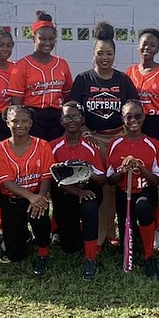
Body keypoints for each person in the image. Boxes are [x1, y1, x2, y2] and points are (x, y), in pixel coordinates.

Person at [70, 21, 139, 249]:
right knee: (99, 185)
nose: (105, 57)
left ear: (115, 55)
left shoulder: (123, 80)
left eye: (109, 53)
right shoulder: (83, 79)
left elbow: (135, 109)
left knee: (115, 186)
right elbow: (73, 110)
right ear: (93, 54)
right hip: (94, 138)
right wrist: (84, 131)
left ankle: (113, 232)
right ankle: (98, 233)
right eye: (100, 53)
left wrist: (128, 135)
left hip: (118, 137)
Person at [0, 105, 54, 275]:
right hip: (11, 199)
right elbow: (6, 182)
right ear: (7, 123)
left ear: (31, 122)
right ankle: (22, 235)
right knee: (15, 255)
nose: (20, 125)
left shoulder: (43, 145)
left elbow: (47, 175)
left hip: (36, 195)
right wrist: (30, 197)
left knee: (40, 216)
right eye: (15, 121)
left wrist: (40, 198)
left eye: (24, 121)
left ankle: (43, 253)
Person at [50, 101, 106, 280]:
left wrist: (87, 171)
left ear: (82, 119)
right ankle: (68, 231)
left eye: (75, 116)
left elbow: (102, 179)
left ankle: (90, 257)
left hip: (88, 190)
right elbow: (53, 179)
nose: (71, 120)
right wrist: (77, 191)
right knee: (70, 247)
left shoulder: (91, 145)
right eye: (67, 116)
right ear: (61, 121)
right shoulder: (53, 146)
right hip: (65, 192)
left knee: (89, 206)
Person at [106, 100, 159, 279]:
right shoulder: (114, 144)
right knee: (127, 242)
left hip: (145, 192)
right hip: (124, 195)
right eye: (128, 116)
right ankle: (134, 243)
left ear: (144, 117)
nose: (133, 120)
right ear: (122, 119)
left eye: (137, 116)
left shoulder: (153, 143)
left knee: (143, 208)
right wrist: (122, 170)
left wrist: (141, 167)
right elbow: (110, 180)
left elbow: (155, 180)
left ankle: (149, 256)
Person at [9, 11, 73, 141]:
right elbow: (16, 103)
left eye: (51, 39)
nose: (47, 43)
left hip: (57, 119)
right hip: (33, 118)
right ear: (33, 38)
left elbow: (67, 96)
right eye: (42, 38)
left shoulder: (62, 64)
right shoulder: (22, 65)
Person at [126, 28, 159, 141]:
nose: (147, 47)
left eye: (152, 45)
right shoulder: (130, 72)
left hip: (155, 123)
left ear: (157, 49)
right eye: (144, 44)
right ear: (138, 46)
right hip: (134, 122)